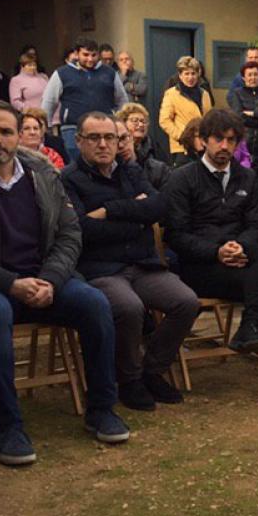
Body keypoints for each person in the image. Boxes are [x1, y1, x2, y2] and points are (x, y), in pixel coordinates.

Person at [0, 99, 128, 466]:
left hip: (43, 280)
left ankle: (102, 409)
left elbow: (69, 234)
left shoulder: (44, 178)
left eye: (5, 131)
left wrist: (49, 279)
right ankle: (7, 427)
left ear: (19, 136)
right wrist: (10, 283)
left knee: (95, 303)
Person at [162, 109, 258, 410]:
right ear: (202, 140)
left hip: (240, 263)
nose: (224, 146)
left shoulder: (247, 177)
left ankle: (251, 326)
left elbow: (257, 225)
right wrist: (216, 251)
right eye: (218, 139)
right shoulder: (182, 178)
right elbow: (176, 235)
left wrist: (239, 247)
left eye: (231, 140)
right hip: (199, 269)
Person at [62, 112, 198, 412]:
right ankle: (129, 379)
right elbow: (82, 230)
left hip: (143, 264)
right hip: (101, 269)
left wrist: (108, 211)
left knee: (186, 302)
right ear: (79, 140)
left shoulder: (129, 170)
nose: (103, 144)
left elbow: (159, 206)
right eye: (94, 138)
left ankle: (152, 370)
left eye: (109, 137)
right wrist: (135, 217)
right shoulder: (67, 179)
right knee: (129, 307)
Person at [42, 38, 129, 162]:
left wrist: (122, 124)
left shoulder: (109, 73)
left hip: (105, 129)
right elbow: (48, 103)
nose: (90, 59)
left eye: (94, 55)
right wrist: (45, 129)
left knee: (105, 163)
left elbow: (122, 100)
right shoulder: (62, 73)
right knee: (75, 165)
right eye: (86, 55)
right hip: (72, 129)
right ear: (77, 54)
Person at [159, 56, 212, 167]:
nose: (190, 77)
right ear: (180, 75)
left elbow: (209, 119)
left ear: (198, 74)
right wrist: (182, 136)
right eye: (186, 74)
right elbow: (164, 120)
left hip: (202, 146)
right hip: (182, 148)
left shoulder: (204, 94)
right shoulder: (171, 94)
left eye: (193, 73)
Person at [226, 61, 258, 167]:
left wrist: (253, 113)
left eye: (255, 74)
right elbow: (239, 116)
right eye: (249, 75)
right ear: (243, 78)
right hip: (245, 143)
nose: (253, 78)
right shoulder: (237, 94)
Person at [114, 103, 169, 189]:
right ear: (123, 123)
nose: (140, 125)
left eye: (143, 121)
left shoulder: (155, 149)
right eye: (135, 120)